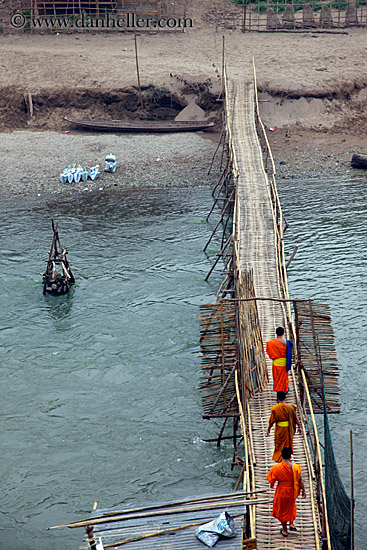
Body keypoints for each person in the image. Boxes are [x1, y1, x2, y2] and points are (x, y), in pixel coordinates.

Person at [266, 446, 306, 537]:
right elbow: (300, 481)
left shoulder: (276, 467)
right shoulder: (296, 467)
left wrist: (272, 484)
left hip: (282, 490)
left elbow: (271, 479)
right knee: (291, 506)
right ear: (290, 456)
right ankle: (291, 523)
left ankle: (285, 530)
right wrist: (303, 491)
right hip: (291, 490)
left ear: (281, 455)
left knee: (282, 509)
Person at [267, 391, 302, 462]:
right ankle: (287, 457)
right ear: (285, 397)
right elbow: (295, 418)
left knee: (279, 444)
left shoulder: (275, 409)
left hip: (280, 430)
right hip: (288, 430)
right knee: (288, 443)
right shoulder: (291, 407)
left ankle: (280, 459)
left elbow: (271, 421)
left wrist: (268, 429)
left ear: (277, 398)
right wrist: (299, 427)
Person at [266, 327, 294, 393]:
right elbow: (290, 353)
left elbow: (269, 352)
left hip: (276, 363)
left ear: (276, 333)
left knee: (277, 378)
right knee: (284, 379)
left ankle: (278, 392)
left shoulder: (271, 343)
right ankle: (283, 391)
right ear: (283, 333)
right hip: (284, 363)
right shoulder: (287, 343)